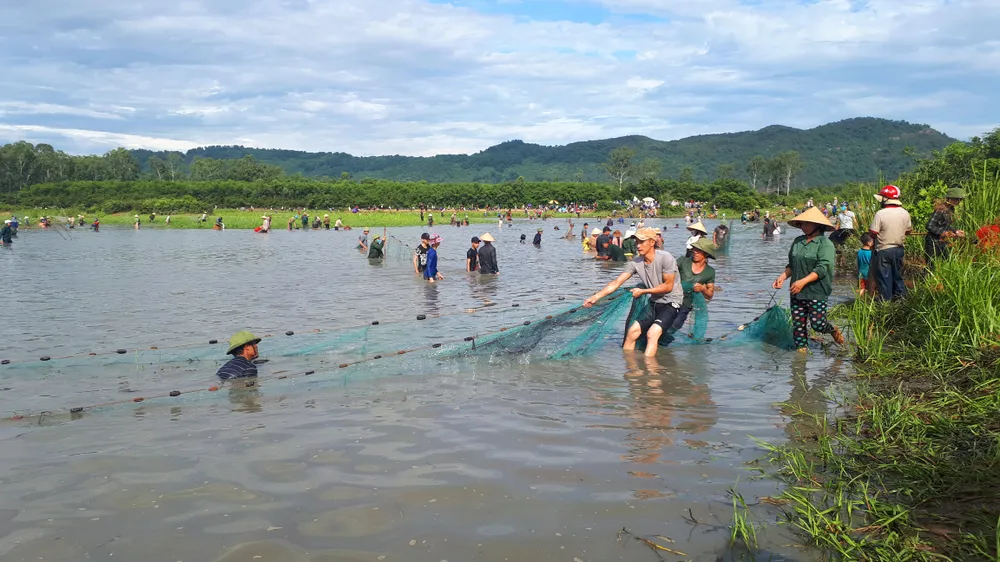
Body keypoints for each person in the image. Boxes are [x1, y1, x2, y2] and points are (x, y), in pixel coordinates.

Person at [584, 228, 683, 357]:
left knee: (652, 334)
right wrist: (595, 297)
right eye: (637, 242)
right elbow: (616, 282)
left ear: (652, 242)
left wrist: (643, 291)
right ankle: (628, 366)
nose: (638, 246)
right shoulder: (635, 263)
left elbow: (668, 286)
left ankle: (650, 368)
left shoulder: (666, 258)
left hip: (671, 302)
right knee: (632, 332)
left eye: (642, 242)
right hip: (654, 302)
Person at [772, 207, 845, 352]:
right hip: (796, 290)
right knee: (798, 326)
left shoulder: (825, 244)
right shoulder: (798, 242)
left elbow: (823, 268)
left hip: (816, 290)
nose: (802, 226)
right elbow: (792, 265)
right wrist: (783, 277)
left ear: (817, 225)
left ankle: (832, 329)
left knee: (818, 324)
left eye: (806, 223)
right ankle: (801, 356)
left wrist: (803, 282)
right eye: (801, 223)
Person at [869, 185, 912, 301]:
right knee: (897, 277)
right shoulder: (905, 213)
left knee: (884, 279)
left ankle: (886, 302)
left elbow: (873, 232)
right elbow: (909, 230)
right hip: (899, 250)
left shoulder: (880, 213)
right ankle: (901, 301)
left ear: (886, 199)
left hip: (884, 250)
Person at [670, 238, 717, 336]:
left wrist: (703, 289)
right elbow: (667, 272)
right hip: (671, 299)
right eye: (694, 249)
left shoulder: (710, 272)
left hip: (686, 304)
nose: (695, 251)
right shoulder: (682, 261)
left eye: (698, 250)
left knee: (675, 325)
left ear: (706, 254)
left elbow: (709, 295)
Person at [924, 187, 966, 267]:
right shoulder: (940, 209)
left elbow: (946, 225)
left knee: (946, 263)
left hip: (943, 242)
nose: (958, 202)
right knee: (931, 265)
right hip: (933, 242)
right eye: (956, 199)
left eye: (960, 200)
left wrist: (956, 231)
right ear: (949, 199)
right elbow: (929, 226)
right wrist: (944, 233)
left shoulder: (951, 209)